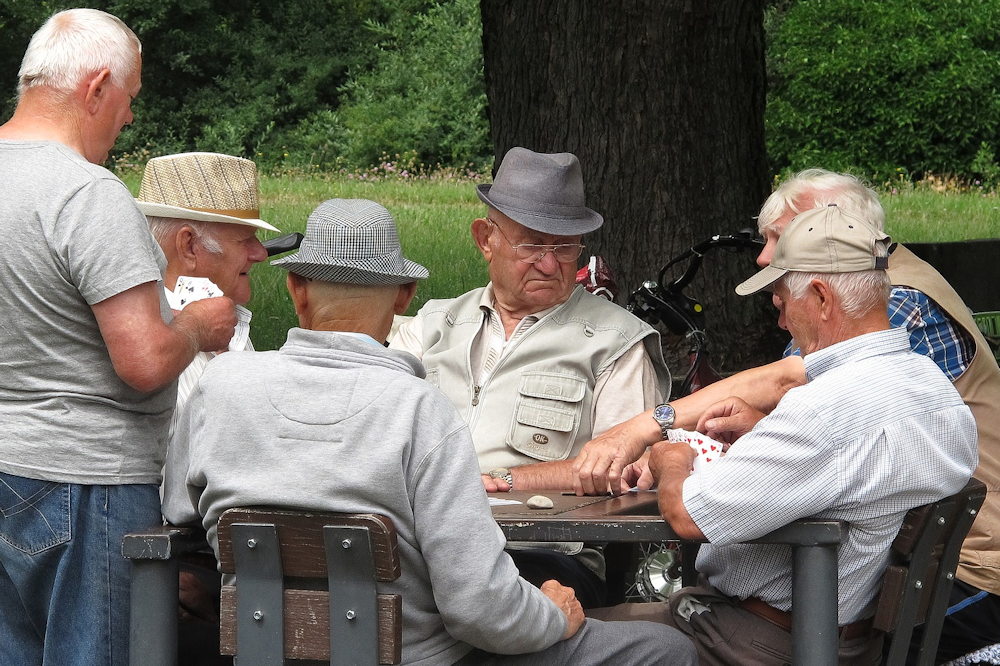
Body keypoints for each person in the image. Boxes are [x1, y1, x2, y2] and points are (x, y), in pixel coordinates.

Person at [162, 198, 696, 666]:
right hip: (415, 653)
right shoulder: (422, 410)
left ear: (295, 288)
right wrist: (552, 617)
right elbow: (478, 610)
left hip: (262, 646)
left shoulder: (220, 387)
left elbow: (180, 515)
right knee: (669, 650)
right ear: (404, 297)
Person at [577, 169, 1000, 661]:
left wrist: (670, 454)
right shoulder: (929, 386)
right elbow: (855, 463)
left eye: (781, 295)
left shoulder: (835, 404)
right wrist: (764, 434)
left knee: (548, 640)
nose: (777, 313)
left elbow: (691, 516)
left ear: (822, 297)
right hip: (835, 631)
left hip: (762, 641)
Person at [0, 9, 235, 666]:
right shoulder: (86, 195)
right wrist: (196, 325)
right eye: (129, 99)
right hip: (88, 482)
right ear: (97, 86)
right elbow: (144, 360)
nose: (129, 118)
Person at [390, 146, 670, 606]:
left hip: (538, 557)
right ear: (486, 239)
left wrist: (504, 478)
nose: (550, 263)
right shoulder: (433, 325)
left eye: (564, 247)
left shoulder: (616, 341)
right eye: (533, 245)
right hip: (418, 543)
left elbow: (627, 475)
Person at [138, 151, 279, 441]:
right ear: (189, 245)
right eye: (244, 240)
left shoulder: (229, 319)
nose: (261, 253)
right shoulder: (148, 340)